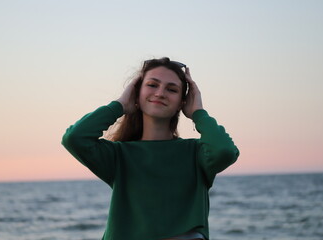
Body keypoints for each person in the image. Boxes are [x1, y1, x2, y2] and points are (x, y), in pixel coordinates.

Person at [62, 57, 240, 240]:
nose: (160, 93)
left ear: (182, 102)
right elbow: (75, 138)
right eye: (152, 85)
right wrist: (120, 105)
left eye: (172, 89)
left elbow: (224, 151)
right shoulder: (119, 156)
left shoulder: (196, 153)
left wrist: (198, 113)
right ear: (137, 94)